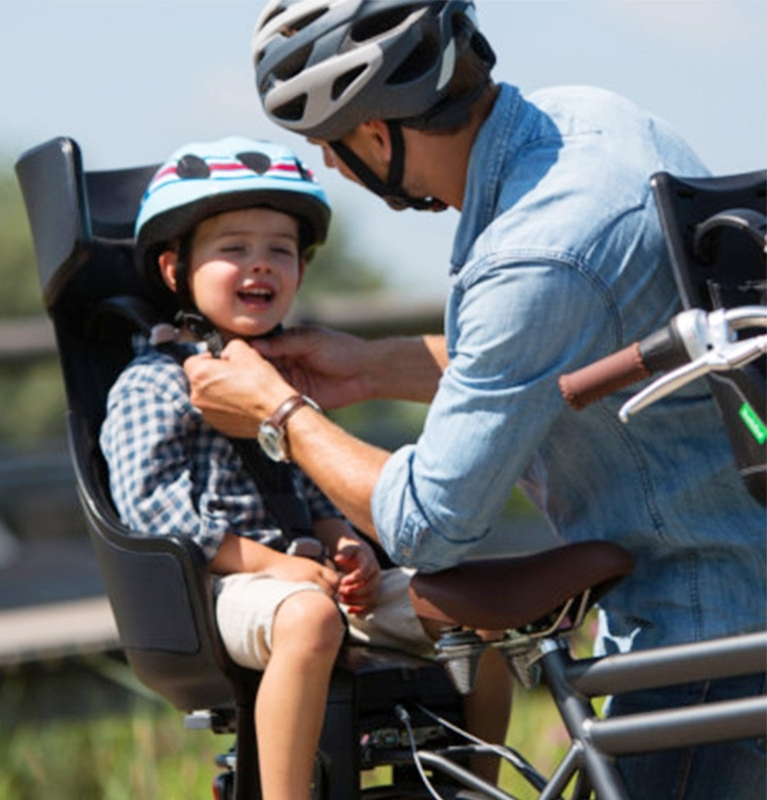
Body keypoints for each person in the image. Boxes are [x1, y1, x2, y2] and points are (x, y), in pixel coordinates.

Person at [180, 3, 767, 800]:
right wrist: (370, 368)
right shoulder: (593, 122)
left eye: (329, 144)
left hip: (701, 635)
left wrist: (280, 413)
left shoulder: (533, 251)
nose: (331, 166)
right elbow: (564, 353)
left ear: (378, 135)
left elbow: (431, 523)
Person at [99, 135, 510, 800]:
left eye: (279, 251)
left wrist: (347, 544)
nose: (259, 265)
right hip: (216, 590)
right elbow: (157, 519)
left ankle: (481, 789)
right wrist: (279, 567)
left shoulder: (281, 377)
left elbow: (303, 488)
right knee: (308, 618)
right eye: (233, 248)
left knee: (484, 616)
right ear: (176, 268)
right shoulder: (152, 385)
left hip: (306, 577)